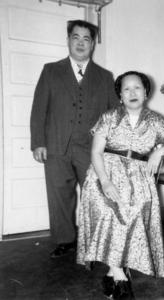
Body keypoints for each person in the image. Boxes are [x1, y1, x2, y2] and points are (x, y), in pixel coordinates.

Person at [77, 71, 164, 299]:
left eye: (137, 88)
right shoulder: (109, 117)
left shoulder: (155, 120)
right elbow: (96, 152)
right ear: (120, 95)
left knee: (130, 217)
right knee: (110, 212)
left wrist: (160, 152)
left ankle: (111, 273)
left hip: (138, 178)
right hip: (104, 174)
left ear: (146, 92)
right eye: (126, 89)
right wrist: (105, 182)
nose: (132, 93)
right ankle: (121, 279)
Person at [30, 20, 119, 259]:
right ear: (68, 40)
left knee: (96, 195)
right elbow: (39, 108)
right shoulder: (51, 70)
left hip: (91, 150)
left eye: (86, 39)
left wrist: (111, 148)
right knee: (59, 196)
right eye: (76, 37)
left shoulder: (104, 76)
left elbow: (113, 115)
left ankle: (96, 239)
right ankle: (64, 240)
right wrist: (38, 142)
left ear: (93, 44)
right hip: (56, 145)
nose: (80, 43)